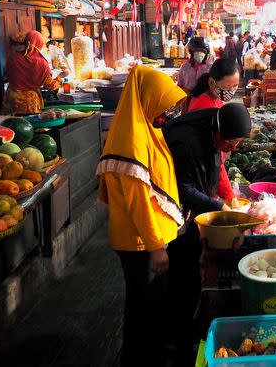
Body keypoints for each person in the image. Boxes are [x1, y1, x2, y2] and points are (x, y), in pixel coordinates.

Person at [95, 66, 187, 366]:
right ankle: (140, 360)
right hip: (141, 243)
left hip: (148, 239)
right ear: (148, 99)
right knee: (143, 309)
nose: (169, 111)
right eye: (165, 103)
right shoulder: (131, 141)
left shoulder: (145, 127)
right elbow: (138, 203)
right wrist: (156, 247)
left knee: (147, 304)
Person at [164, 103, 252, 216]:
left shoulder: (214, 123)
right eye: (232, 141)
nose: (234, 147)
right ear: (219, 134)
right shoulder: (186, 144)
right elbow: (184, 189)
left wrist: (229, 196)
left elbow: (217, 164)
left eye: (239, 141)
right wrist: (219, 207)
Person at [185, 58, 241, 208]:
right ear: (212, 83)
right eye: (228, 87)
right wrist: (228, 194)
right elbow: (214, 156)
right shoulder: (205, 107)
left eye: (235, 86)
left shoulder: (214, 99)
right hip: (197, 172)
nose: (231, 91)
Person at [3, 30, 66, 114]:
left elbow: (6, 76)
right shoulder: (41, 63)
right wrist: (61, 77)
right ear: (39, 43)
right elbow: (50, 85)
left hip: (11, 99)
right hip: (29, 102)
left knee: (10, 124)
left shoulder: (13, 58)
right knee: (28, 125)